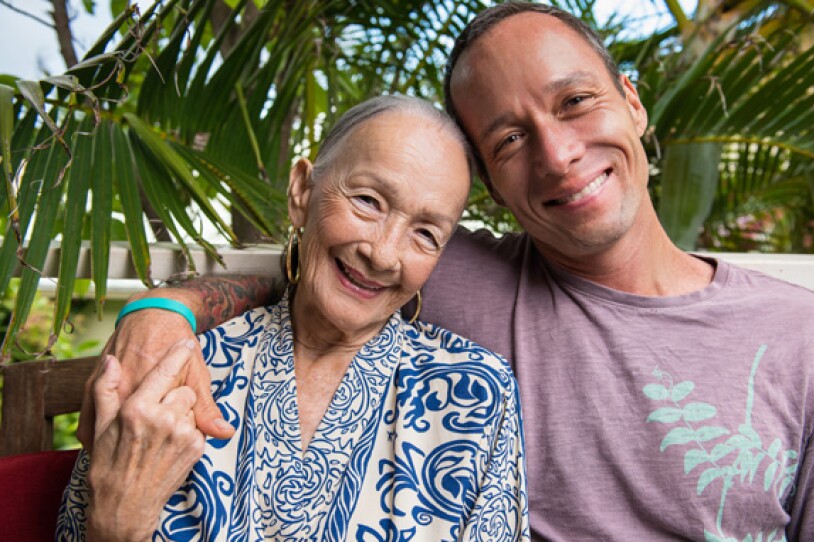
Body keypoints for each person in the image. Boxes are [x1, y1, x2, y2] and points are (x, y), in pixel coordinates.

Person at [83, 2, 814, 540]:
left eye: (574, 103)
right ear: (490, 192)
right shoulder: (440, 269)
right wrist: (165, 311)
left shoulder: (806, 335)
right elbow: (316, 273)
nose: (559, 157)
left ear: (632, 102)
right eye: (508, 141)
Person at [57, 96, 529, 541]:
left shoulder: (476, 394)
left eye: (426, 233)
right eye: (368, 200)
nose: (383, 254)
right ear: (302, 190)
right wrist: (116, 525)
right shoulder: (176, 365)